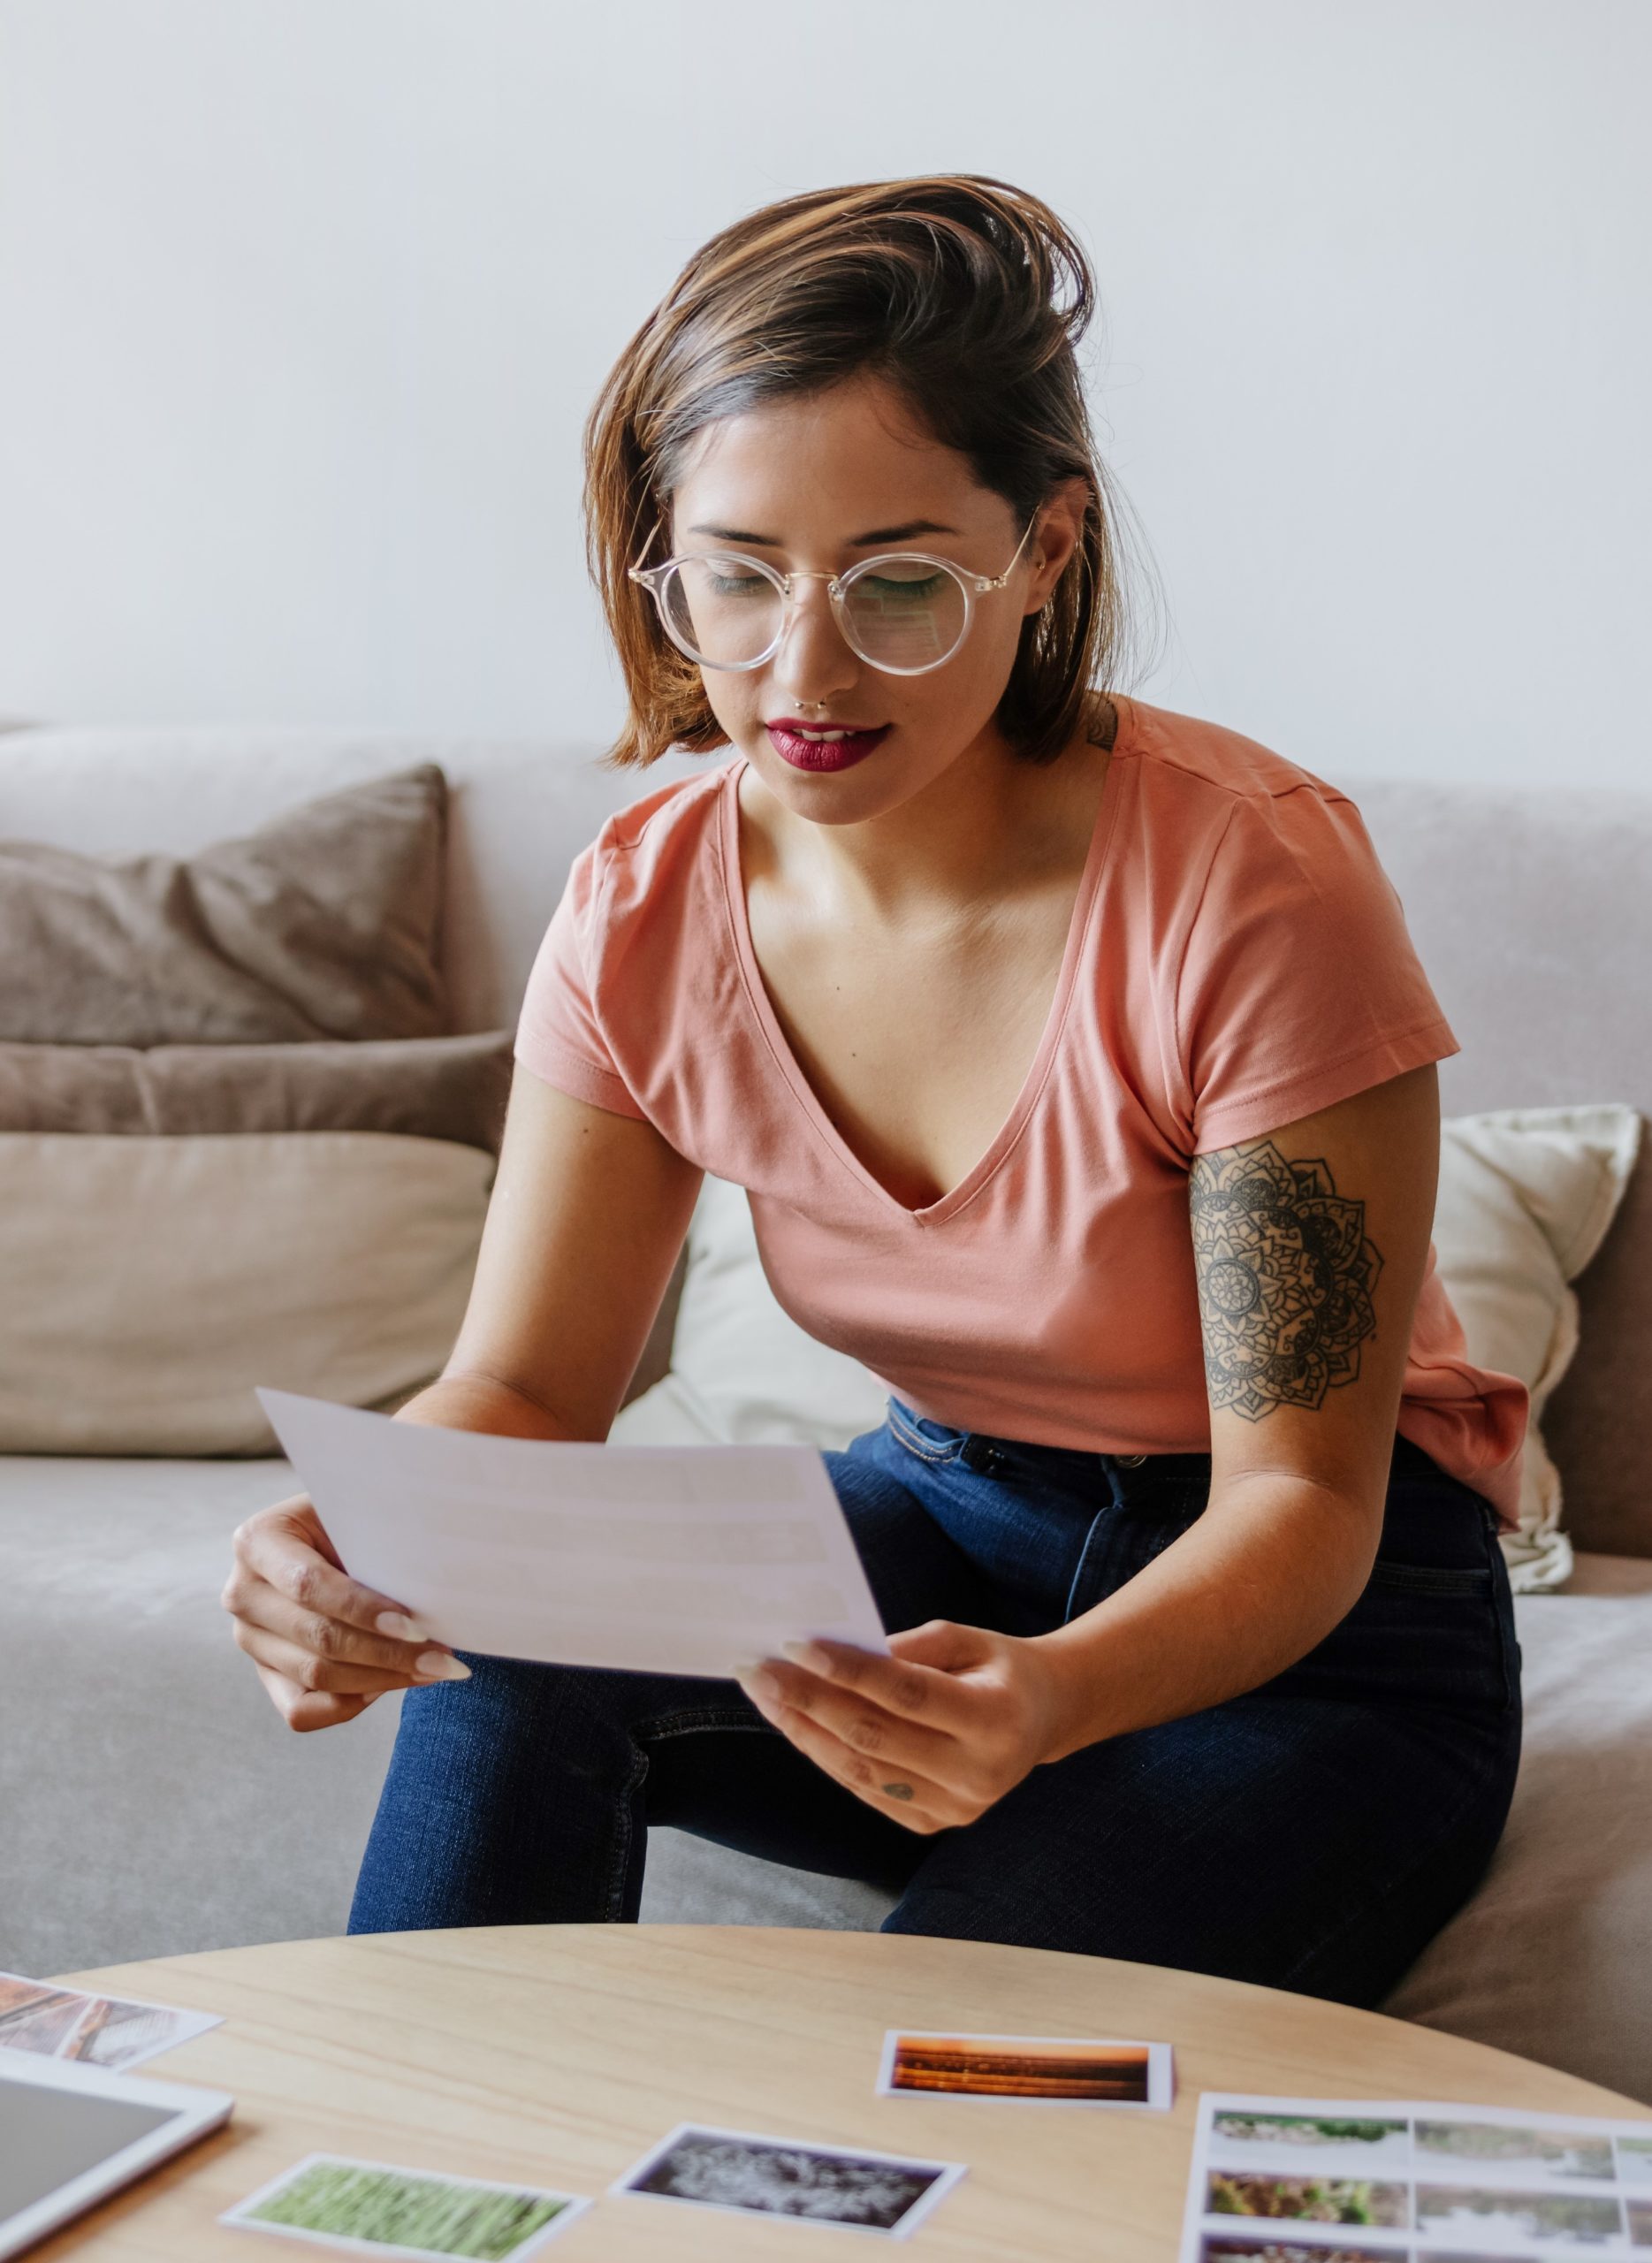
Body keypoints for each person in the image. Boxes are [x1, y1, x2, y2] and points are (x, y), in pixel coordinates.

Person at [223, 175, 1528, 2008]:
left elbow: (1297, 1507)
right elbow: (520, 1386)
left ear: (1045, 548)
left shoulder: (1249, 884)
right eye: (736, 578)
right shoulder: (644, 901)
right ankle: (390, 2165)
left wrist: (1057, 1695)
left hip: (1308, 1639)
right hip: (941, 1520)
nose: (803, 668)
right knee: (498, 1636)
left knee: (935, 2052)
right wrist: (358, 1536)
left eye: (898, 580)